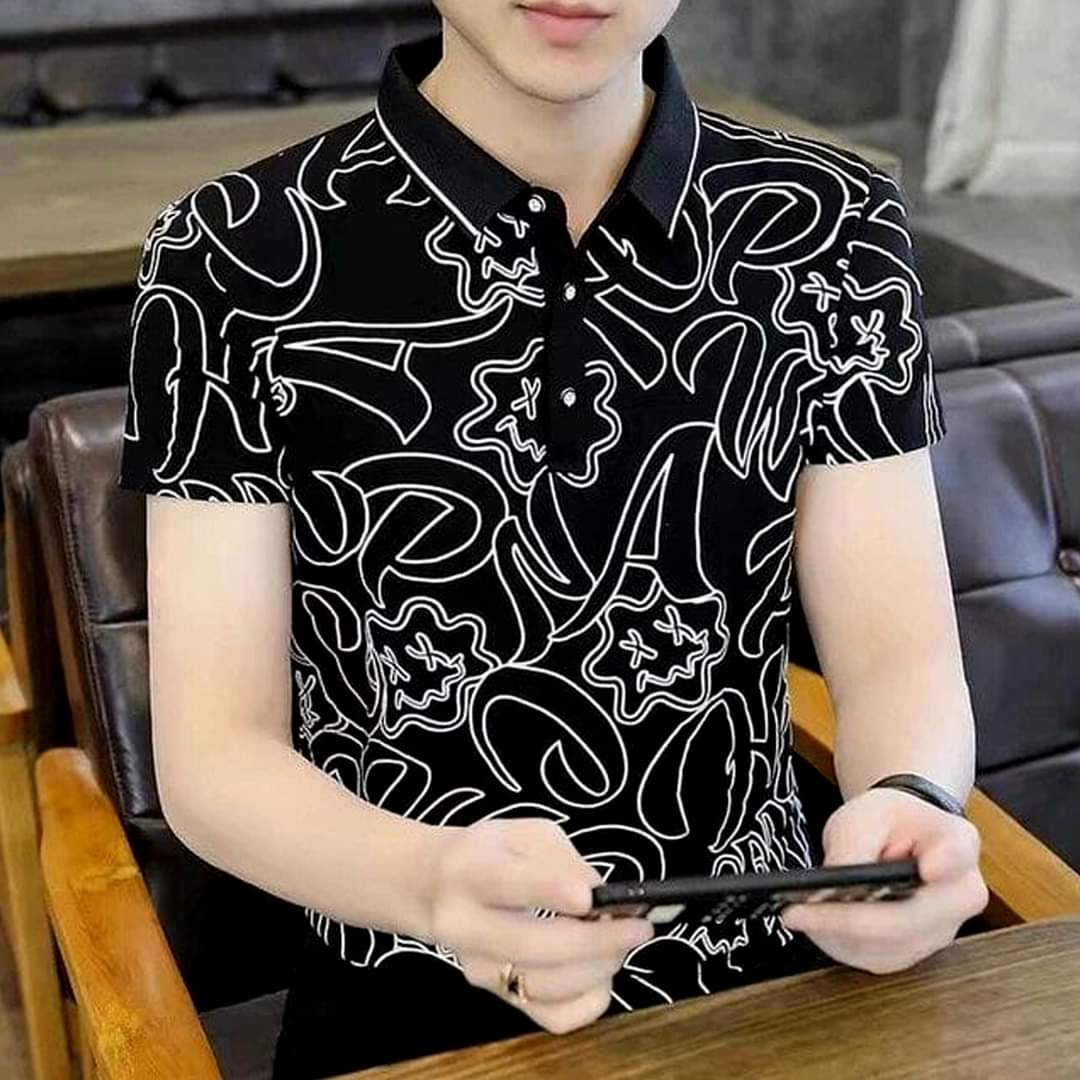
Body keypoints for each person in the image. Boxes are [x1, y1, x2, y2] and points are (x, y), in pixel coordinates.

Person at [115, 2, 989, 1076]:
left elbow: (900, 659)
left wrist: (911, 799)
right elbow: (213, 756)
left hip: (776, 979)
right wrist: (432, 884)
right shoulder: (228, 253)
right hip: (405, 990)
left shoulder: (833, 223)